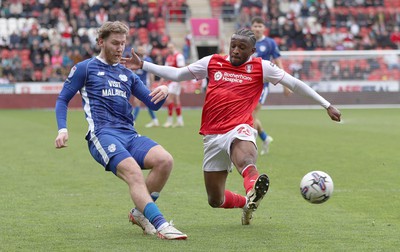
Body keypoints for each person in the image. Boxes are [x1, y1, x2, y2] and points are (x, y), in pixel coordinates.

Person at [121, 28, 341, 226]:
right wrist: (143, 65)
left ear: (252, 50)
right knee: (215, 200)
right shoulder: (212, 62)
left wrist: (327, 104)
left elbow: (294, 84)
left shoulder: (261, 67)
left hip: (239, 127)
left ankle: (253, 186)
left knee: (245, 158)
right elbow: (178, 74)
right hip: (212, 135)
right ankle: (247, 202)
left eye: (242, 48)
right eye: (233, 46)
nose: (236, 51)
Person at [54, 21, 187, 240]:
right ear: (101, 42)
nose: (120, 48)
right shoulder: (85, 68)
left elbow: (153, 103)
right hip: (103, 134)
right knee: (133, 172)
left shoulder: (128, 75)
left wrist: (164, 89)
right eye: (115, 43)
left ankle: (139, 213)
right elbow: (62, 99)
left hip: (130, 135)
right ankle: (161, 224)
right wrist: (62, 129)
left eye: (123, 44)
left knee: (165, 160)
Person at [251, 16, 292, 155]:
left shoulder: (270, 43)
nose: (257, 28)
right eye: (255, 26)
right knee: (249, 116)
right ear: (251, 27)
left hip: (262, 86)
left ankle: (251, 145)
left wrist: (285, 84)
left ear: (264, 28)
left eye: (259, 26)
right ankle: (265, 138)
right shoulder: (247, 42)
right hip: (246, 84)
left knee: (250, 115)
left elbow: (279, 63)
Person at [132, 45, 160, 128]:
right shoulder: (135, 59)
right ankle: (155, 120)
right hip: (136, 83)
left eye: (142, 50)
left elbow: (151, 73)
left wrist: (151, 85)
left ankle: (133, 121)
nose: (140, 51)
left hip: (144, 83)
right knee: (146, 102)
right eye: (139, 49)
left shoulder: (147, 60)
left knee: (137, 102)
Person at [162, 42, 186, 128]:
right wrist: (162, 80)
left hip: (176, 81)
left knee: (169, 100)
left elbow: (182, 69)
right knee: (176, 100)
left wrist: (181, 82)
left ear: (174, 47)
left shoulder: (179, 56)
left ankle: (170, 120)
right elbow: (165, 70)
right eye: (168, 48)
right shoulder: (168, 57)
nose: (169, 49)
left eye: (171, 47)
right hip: (170, 81)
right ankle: (180, 121)